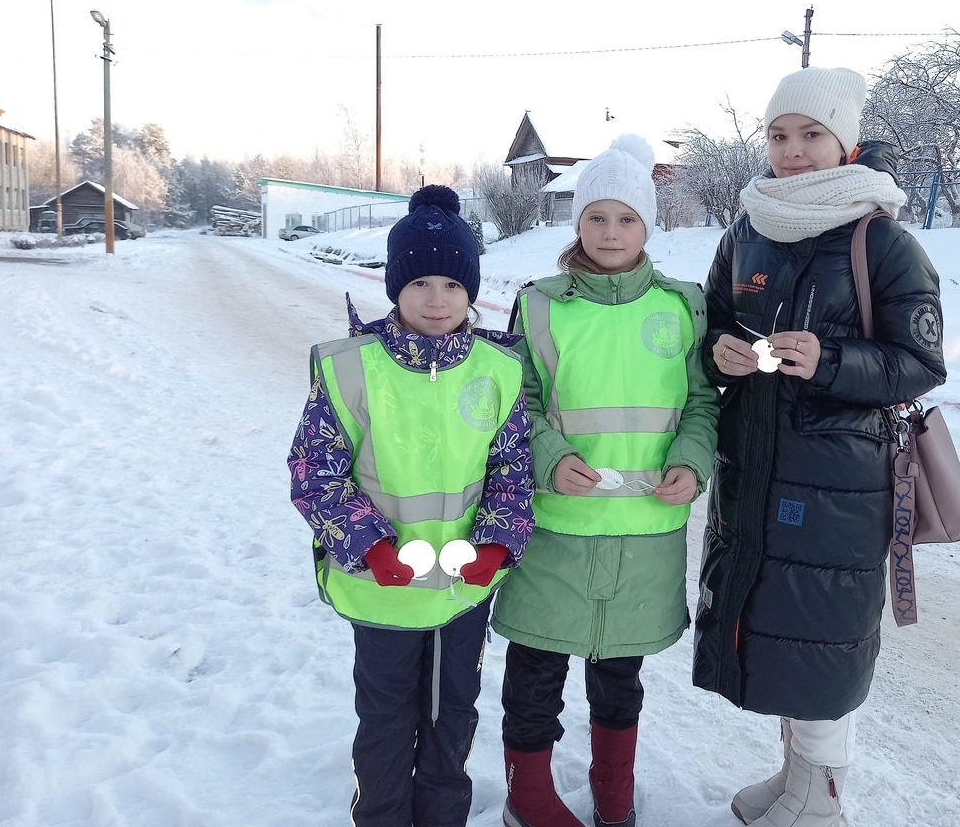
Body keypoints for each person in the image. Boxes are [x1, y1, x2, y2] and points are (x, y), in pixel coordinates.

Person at [691, 67, 947, 826]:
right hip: (756, 465)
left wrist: (830, 360)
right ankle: (795, 777)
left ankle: (822, 798)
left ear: (847, 144)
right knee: (769, 625)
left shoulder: (883, 239)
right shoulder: (746, 229)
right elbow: (709, 324)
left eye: (811, 135)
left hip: (840, 477)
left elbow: (922, 362)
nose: (792, 151)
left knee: (820, 633)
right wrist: (719, 354)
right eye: (779, 136)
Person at [288, 184, 535, 827]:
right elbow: (316, 472)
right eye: (420, 282)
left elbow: (512, 471)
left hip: (459, 592)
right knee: (387, 716)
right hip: (382, 589)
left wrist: (496, 545)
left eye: (452, 284)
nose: (436, 299)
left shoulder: (499, 370)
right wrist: (369, 545)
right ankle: (383, 815)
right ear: (394, 286)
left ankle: (443, 815)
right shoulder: (353, 368)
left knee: (454, 712)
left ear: (471, 290)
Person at [491, 134, 719, 827]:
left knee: (620, 679)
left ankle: (612, 796)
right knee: (535, 671)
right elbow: (517, 402)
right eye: (596, 217)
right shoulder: (539, 305)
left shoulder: (682, 306)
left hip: (646, 531)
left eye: (626, 218)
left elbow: (703, 401)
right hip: (555, 528)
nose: (611, 232)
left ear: (649, 224)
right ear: (576, 222)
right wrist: (551, 454)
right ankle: (529, 799)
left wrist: (691, 461)